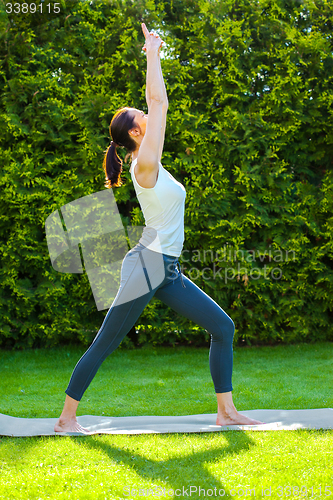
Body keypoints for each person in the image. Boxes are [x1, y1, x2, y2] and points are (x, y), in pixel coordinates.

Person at [54, 23, 265, 433]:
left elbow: (158, 105)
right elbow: (159, 100)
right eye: (142, 117)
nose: (149, 115)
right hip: (147, 265)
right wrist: (152, 52)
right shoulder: (144, 164)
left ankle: (226, 412)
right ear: (136, 133)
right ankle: (66, 419)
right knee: (106, 342)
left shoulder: (154, 163)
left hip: (166, 269)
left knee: (223, 327)